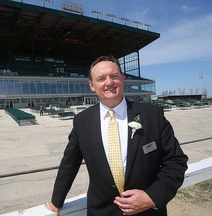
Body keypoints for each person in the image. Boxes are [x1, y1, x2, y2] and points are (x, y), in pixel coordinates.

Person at [45, 55, 188, 216]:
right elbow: (69, 164)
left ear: (122, 78)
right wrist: (56, 202)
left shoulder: (152, 115)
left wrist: (151, 197)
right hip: (102, 212)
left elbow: (176, 161)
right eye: (101, 78)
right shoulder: (81, 121)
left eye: (114, 76)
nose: (109, 83)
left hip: (148, 212)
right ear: (92, 85)